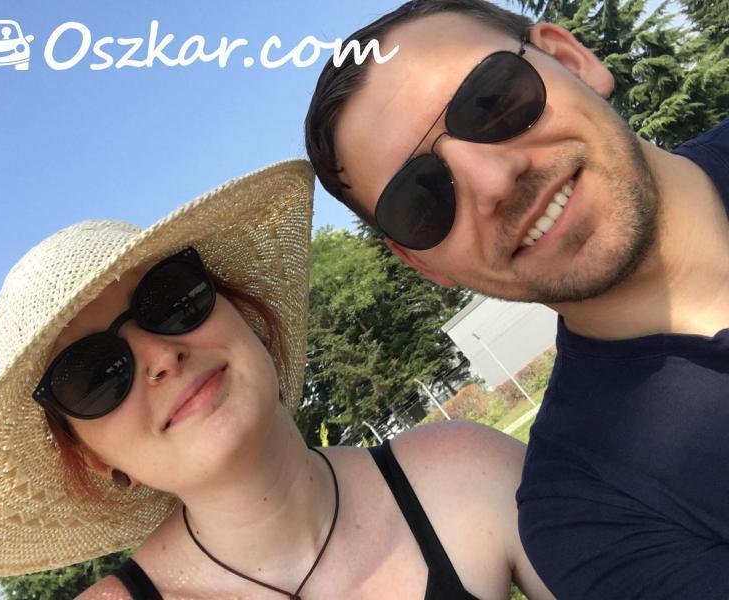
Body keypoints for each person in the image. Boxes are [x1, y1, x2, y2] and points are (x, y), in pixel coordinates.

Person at [0, 160, 551, 599]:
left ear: (244, 314)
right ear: (93, 457)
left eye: (171, 298)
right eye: (93, 374)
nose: (160, 356)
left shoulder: (466, 474)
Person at [304, 0, 729, 597]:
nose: (493, 182)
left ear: (572, 60)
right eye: (422, 200)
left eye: (492, 100)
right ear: (423, 263)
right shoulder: (590, 514)